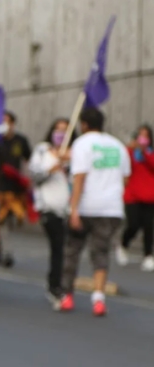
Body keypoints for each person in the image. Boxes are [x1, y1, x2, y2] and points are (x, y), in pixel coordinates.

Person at [61, 108, 130, 316]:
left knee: (73, 250)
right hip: (111, 208)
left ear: (83, 125)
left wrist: (73, 209)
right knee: (101, 252)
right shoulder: (118, 145)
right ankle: (98, 299)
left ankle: (67, 296)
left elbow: (79, 178)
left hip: (87, 206)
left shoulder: (82, 144)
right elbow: (125, 178)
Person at [29, 119, 75, 309]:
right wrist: (52, 167)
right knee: (59, 246)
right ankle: (55, 286)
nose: (61, 134)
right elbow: (34, 174)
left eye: (65, 131)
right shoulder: (42, 150)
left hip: (68, 209)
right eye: (58, 130)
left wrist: (69, 162)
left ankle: (60, 285)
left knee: (66, 249)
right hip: (49, 209)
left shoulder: (74, 152)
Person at [0, 111, 32, 265]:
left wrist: (26, 179)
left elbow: (29, 160)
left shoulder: (20, 141)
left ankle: (4, 251)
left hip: (14, 191)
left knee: (7, 223)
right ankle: (1, 251)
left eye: (7, 121)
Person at [117, 124, 154, 271]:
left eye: (146, 136)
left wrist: (144, 152)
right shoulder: (130, 152)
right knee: (133, 224)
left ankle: (148, 255)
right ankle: (123, 244)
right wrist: (131, 148)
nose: (143, 139)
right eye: (140, 135)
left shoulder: (150, 153)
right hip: (132, 196)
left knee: (148, 226)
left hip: (150, 196)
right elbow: (123, 163)